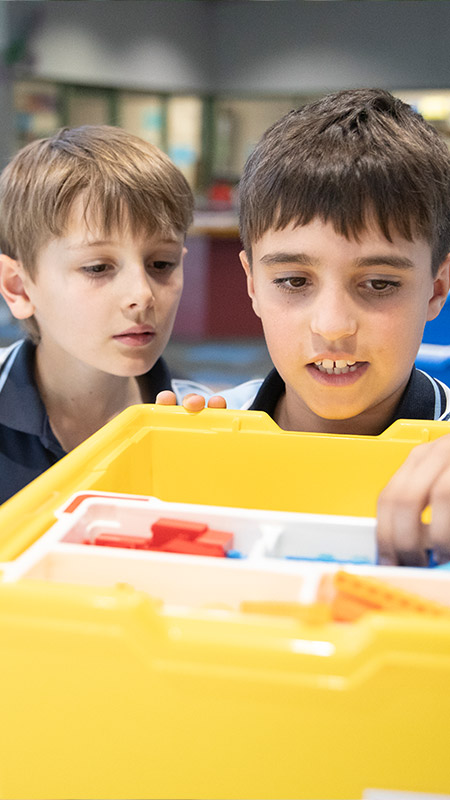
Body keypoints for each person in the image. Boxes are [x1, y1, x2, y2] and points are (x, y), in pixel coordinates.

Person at [158, 88, 450, 568]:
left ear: (436, 289)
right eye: (294, 281)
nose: (333, 326)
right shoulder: (207, 428)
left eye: (379, 284)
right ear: (252, 285)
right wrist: (167, 468)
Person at [0, 124, 215, 505]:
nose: (142, 295)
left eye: (161, 264)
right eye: (98, 268)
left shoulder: (205, 423)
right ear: (18, 287)